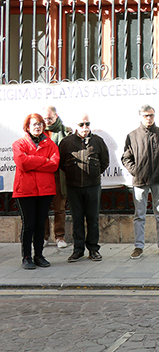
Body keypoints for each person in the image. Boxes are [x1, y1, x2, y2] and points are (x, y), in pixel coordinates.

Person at [122, 104, 159, 259]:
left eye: (151, 115)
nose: (149, 118)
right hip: (140, 181)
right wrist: (136, 171)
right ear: (140, 116)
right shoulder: (132, 135)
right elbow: (126, 158)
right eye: (146, 115)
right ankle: (138, 247)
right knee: (139, 215)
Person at [59, 113, 110, 262]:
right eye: (81, 124)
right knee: (77, 219)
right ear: (75, 125)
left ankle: (93, 249)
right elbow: (61, 163)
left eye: (87, 124)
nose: (85, 127)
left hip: (92, 186)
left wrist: (92, 174)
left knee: (93, 219)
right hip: (73, 187)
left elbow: (105, 162)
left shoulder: (98, 141)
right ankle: (78, 250)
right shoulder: (66, 142)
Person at [13, 113, 59, 270]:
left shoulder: (51, 145)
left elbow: (53, 165)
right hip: (25, 190)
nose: (37, 127)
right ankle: (26, 257)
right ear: (28, 127)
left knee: (41, 224)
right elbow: (22, 163)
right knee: (29, 224)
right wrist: (42, 160)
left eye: (40, 124)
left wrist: (31, 160)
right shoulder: (19, 144)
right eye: (34, 124)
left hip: (45, 190)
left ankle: (38, 255)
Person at [42, 105, 71, 249]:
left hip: (59, 174)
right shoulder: (38, 131)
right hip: (43, 174)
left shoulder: (65, 131)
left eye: (50, 118)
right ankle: (44, 236)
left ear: (56, 116)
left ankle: (59, 236)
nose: (47, 121)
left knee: (59, 206)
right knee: (43, 207)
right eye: (45, 118)